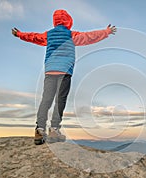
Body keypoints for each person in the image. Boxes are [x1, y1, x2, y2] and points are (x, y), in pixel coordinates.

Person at [12, 9, 117, 145]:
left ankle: (39, 129)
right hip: (65, 71)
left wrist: (19, 34)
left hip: (50, 71)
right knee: (60, 100)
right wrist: (106, 32)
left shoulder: (48, 35)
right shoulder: (71, 34)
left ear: (55, 21)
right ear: (69, 21)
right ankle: (54, 129)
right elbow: (89, 36)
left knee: (46, 99)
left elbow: (33, 36)